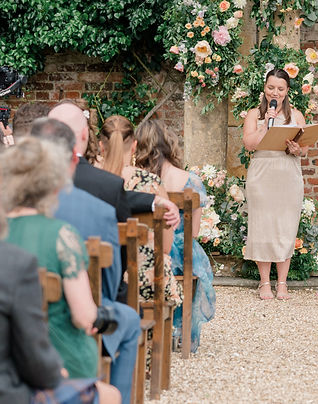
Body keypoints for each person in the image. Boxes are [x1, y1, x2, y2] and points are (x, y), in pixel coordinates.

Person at [0, 137, 121, 404]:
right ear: (54, 185)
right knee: (113, 395)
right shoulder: (62, 235)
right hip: (62, 358)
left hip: (10, 358)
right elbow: (83, 316)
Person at [31, 117, 143, 404]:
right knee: (128, 317)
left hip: (20, 327)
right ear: (72, 158)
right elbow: (109, 281)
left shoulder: (15, 208)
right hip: (78, 327)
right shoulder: (98, 211)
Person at [134, 119, 215, 352]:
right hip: (183, 258)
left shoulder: (138, 182)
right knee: (190, 253)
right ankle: (183, 335)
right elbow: (196, 232)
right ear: (169, 144)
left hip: (148, 254)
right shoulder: (192, 182)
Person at [48, 102, 179, 227]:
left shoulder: (31, 174)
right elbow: (106, 193)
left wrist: (152, 201)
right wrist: (156, 200)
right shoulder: (104, 183)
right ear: (84, 134)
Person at [96, 115, 182, 306]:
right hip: (147, 280)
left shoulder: (91, 182)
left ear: (101, 146)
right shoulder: (151, 184)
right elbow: (165, 247)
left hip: (99, 276)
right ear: (134, 146)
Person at [240, 68, 309, 301]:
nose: (275, 92)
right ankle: (264, 283)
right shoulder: (253, 114)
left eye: (280, 89)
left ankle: (282, 283)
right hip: (262, 173)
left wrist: (297, 149)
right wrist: (264, 125)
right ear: (264, 88)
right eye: (271, 88)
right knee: (263, 226)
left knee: (285, 227)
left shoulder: (296, 115)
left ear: (287, 91)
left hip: (287, 174)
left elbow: (305, 147)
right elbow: (249, 144)